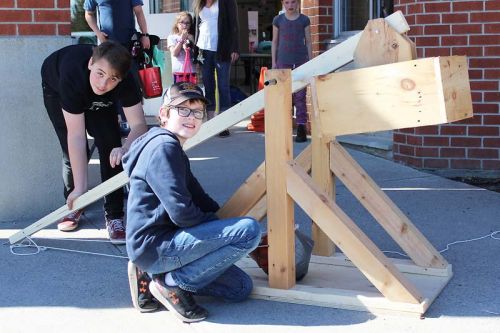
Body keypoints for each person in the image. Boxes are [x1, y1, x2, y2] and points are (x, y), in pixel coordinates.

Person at [123, 82, 261, 321]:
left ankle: (152, 276)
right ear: (164, 114)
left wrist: (221, 226)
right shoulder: (163, 147)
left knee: (240, 288)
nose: (192, 117)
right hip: (156, 244)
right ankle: (171, 283)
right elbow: (182, 213)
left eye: (197, 112)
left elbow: (199, 197)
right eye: (183, 110)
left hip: (163, 242)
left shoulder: (170, 146)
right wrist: (225, 233)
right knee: (249, 232)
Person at [41, 41, 148, 244]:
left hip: (100, 99)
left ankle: (115, 215)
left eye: (112, 79)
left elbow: (139, 125)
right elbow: (77, 136)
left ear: (121, 79)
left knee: (111, 144)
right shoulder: (72, 75)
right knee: (69, 147)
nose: (103, 83)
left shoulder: (125, 81)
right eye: (100, 73)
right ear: (91, 63)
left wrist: (125, 148)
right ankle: (76, 201)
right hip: (56, 86)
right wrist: (81, 187)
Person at [193, 0, 239, 137]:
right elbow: (196, 27)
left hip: (222, 49)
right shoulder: (198, 3)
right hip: (204, 50)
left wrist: (235, 48)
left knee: (223, 86)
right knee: (208, 86)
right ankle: (212, 122)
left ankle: (224, 124)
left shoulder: (226, 2)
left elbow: (234, 25)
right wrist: (195, 53)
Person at [272, 0, 312, 142]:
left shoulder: (304, 20)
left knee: (300, 95)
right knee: (285, 96)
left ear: (297, 3)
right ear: (283, 3)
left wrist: (310, 61)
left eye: (293, 2)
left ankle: (301, 127)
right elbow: (275, 42)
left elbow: (308, 41)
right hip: (283, 61)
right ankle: (284, 127)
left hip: (300, 60)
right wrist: (274, 62)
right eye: (287, 2)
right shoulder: (278, 20)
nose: (290, 5)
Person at [84, 0, 151, 50]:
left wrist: (145, 35)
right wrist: (98, 33)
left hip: (129, 43)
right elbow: (89, 14)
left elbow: (139, 12)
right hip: (108, 44)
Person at [167, 12, 196, 82]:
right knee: (179, 92)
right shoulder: (172, 37)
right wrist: (181, 40)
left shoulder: (193, 37)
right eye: (182, 22)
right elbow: (174, 53)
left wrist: (192, 41)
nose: (184, 25)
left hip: (191, 71)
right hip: (178, 72)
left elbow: (196, 55)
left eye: (187, 23)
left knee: (191, 92)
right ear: (177, 24)